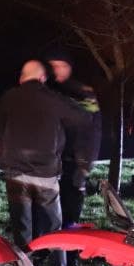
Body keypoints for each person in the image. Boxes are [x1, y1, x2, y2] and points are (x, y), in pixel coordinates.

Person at [0, 60, 94, 266]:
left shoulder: (9, 97)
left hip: (15, 176)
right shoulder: (52, 99)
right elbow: (84, 118)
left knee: (22, 232)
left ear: (21, 78)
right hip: (46, 175)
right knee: (54, 231)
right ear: (43, 78)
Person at [44, 48, 102, 230]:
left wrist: (85, 165)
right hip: (49, 161)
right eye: (53, 66)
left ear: (70, 68)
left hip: (74, 161)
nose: (57, 70)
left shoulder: (82, 93)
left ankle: (70, 255)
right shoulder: (44, 91)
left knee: (70, 213)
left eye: (61, 66)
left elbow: (93, 130)